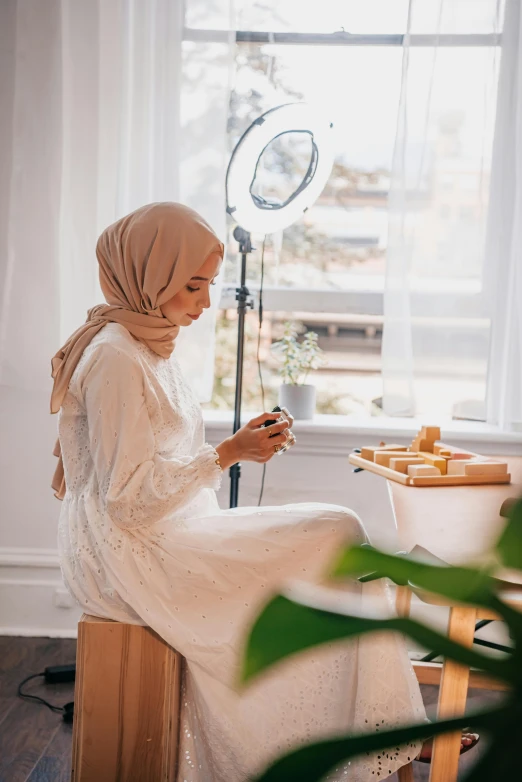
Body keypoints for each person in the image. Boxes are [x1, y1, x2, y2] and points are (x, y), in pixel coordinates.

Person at [51, 203, 477, 781]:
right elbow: (126, 500)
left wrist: (241, 444)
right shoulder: (115, 358)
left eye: (210, 286)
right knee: (336, 534)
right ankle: (387, 733)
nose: (204, 303)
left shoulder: (147, 342)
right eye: (192, 286)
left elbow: (159, 464)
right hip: (131, 553)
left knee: (334, 534)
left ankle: (386, 728)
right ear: (148, 276)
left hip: (165, 528)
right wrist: (230, 453)